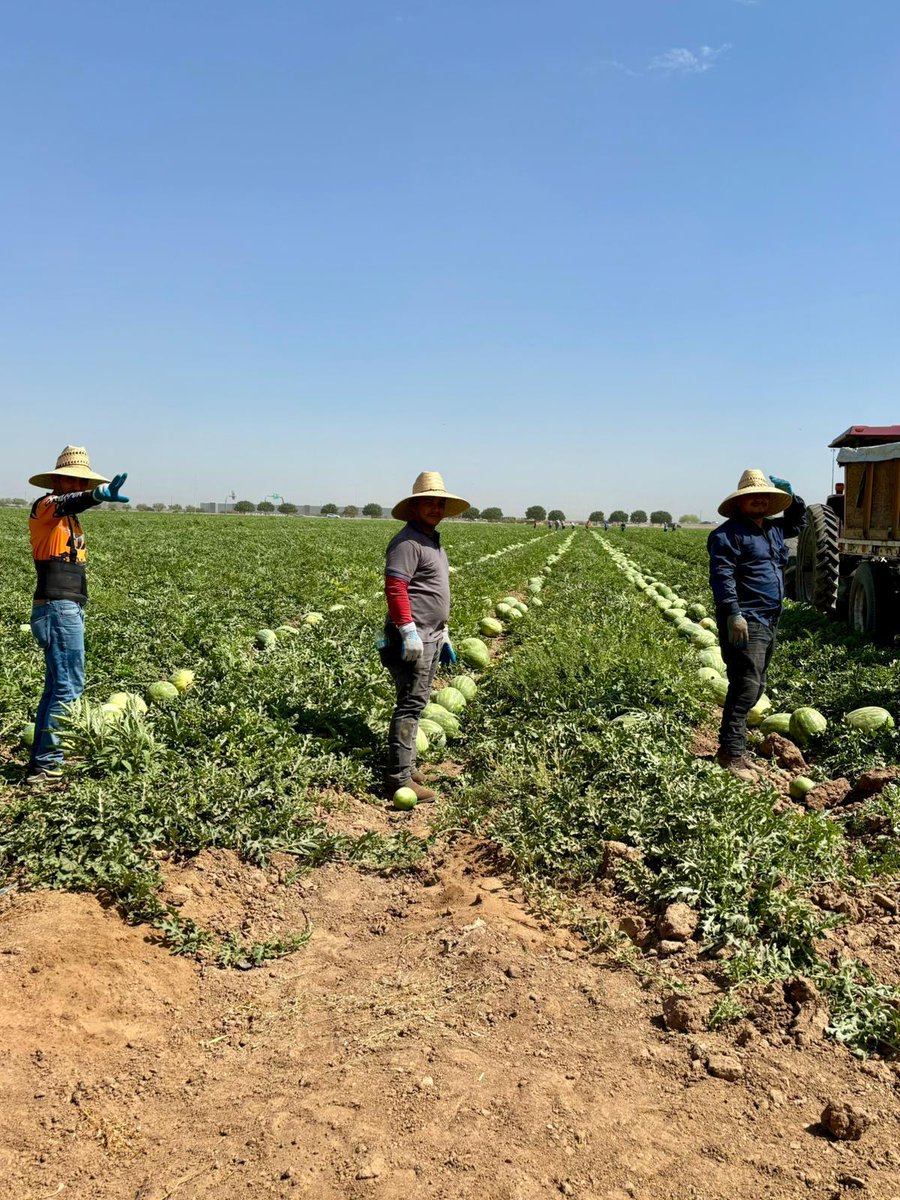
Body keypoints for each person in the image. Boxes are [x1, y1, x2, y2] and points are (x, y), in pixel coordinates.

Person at [25, 446, 129, 784]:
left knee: (56, 686)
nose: (77, 486)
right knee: (69, 686)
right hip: (57, 607)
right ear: (57, 479)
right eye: (73, 479)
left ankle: (43, 761)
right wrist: (98, 494)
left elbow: (74, 504)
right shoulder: (46, 507)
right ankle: (47, 765)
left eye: (83, 481)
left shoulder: (70, 518)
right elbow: (66, 502)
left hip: (66, 606)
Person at [708, 470, 806, 781]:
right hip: (745, 620)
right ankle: (732, 754)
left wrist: (795, 497)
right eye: (753, 496)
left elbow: (799, 521)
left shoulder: (775, 530)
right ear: (740, 502)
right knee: (745, 686)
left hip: (769, 618)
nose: (759, 499)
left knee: (757, 685)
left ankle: (733, 749)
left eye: (764, 495)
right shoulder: (727, 535)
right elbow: (722, 578)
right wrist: (733, 613)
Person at [380, 471, 469, 802]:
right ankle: (398, 779)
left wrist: (443, 633)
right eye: (428, 502)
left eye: (439, 502)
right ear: (415, 507)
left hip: (430, 635)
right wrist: (408, 631)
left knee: (417, 702)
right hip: (411, 638)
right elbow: (396, 586)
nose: (435, 507)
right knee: (410, 703)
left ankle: (407, 764)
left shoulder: (431, 540)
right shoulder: (407, 542)